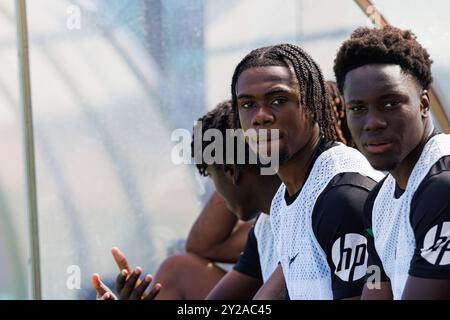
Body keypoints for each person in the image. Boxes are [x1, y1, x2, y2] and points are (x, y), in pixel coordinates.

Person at [231, 43, 383, 299]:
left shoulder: (341, 196)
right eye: (247, 105)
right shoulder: (283, 199)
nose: (260, 116)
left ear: (313, 104)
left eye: (278, 100)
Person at [92, 100, 282, 300]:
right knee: (177, 269)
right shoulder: (264, 228)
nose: (217, 195)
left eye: (213, 178)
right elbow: (204, 248)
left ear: (230, 171)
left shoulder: (304, 216)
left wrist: (234, 169)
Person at [334, 25, 450, 300]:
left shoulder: (442, 188)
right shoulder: (378, 201)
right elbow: (376, 288)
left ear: (423, 105)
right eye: (358, 109)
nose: (373, 122)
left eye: (390, 104)